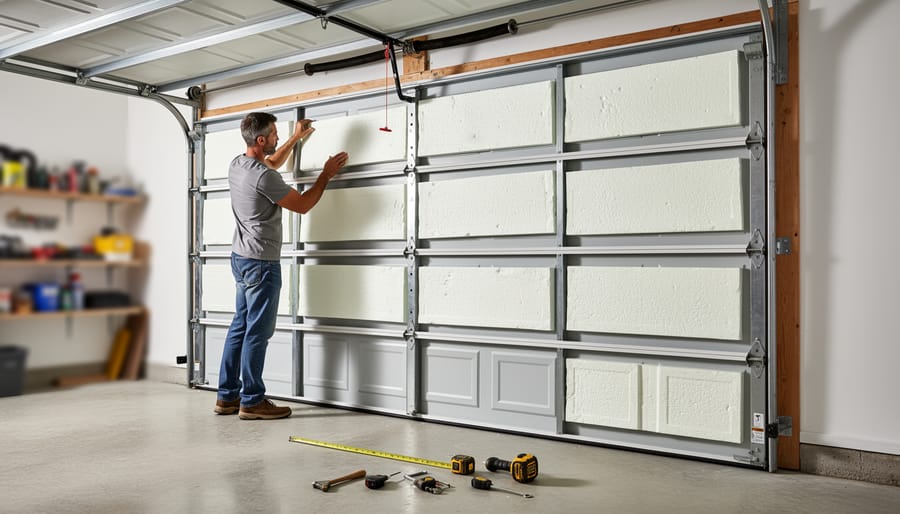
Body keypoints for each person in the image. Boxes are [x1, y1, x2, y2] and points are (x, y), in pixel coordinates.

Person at [215, 112, 349, 420]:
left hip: (241, 258)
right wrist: (326, 174)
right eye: (274, 134)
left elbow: (271, 162)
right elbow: (302, 205)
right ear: (261, 140)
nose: (277, 137)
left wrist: (294, 138)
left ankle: (227, 397)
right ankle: (252, 400)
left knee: (240, 326)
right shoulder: (264, 177)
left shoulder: (238, 164)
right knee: (257, 333)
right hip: (261, 263)